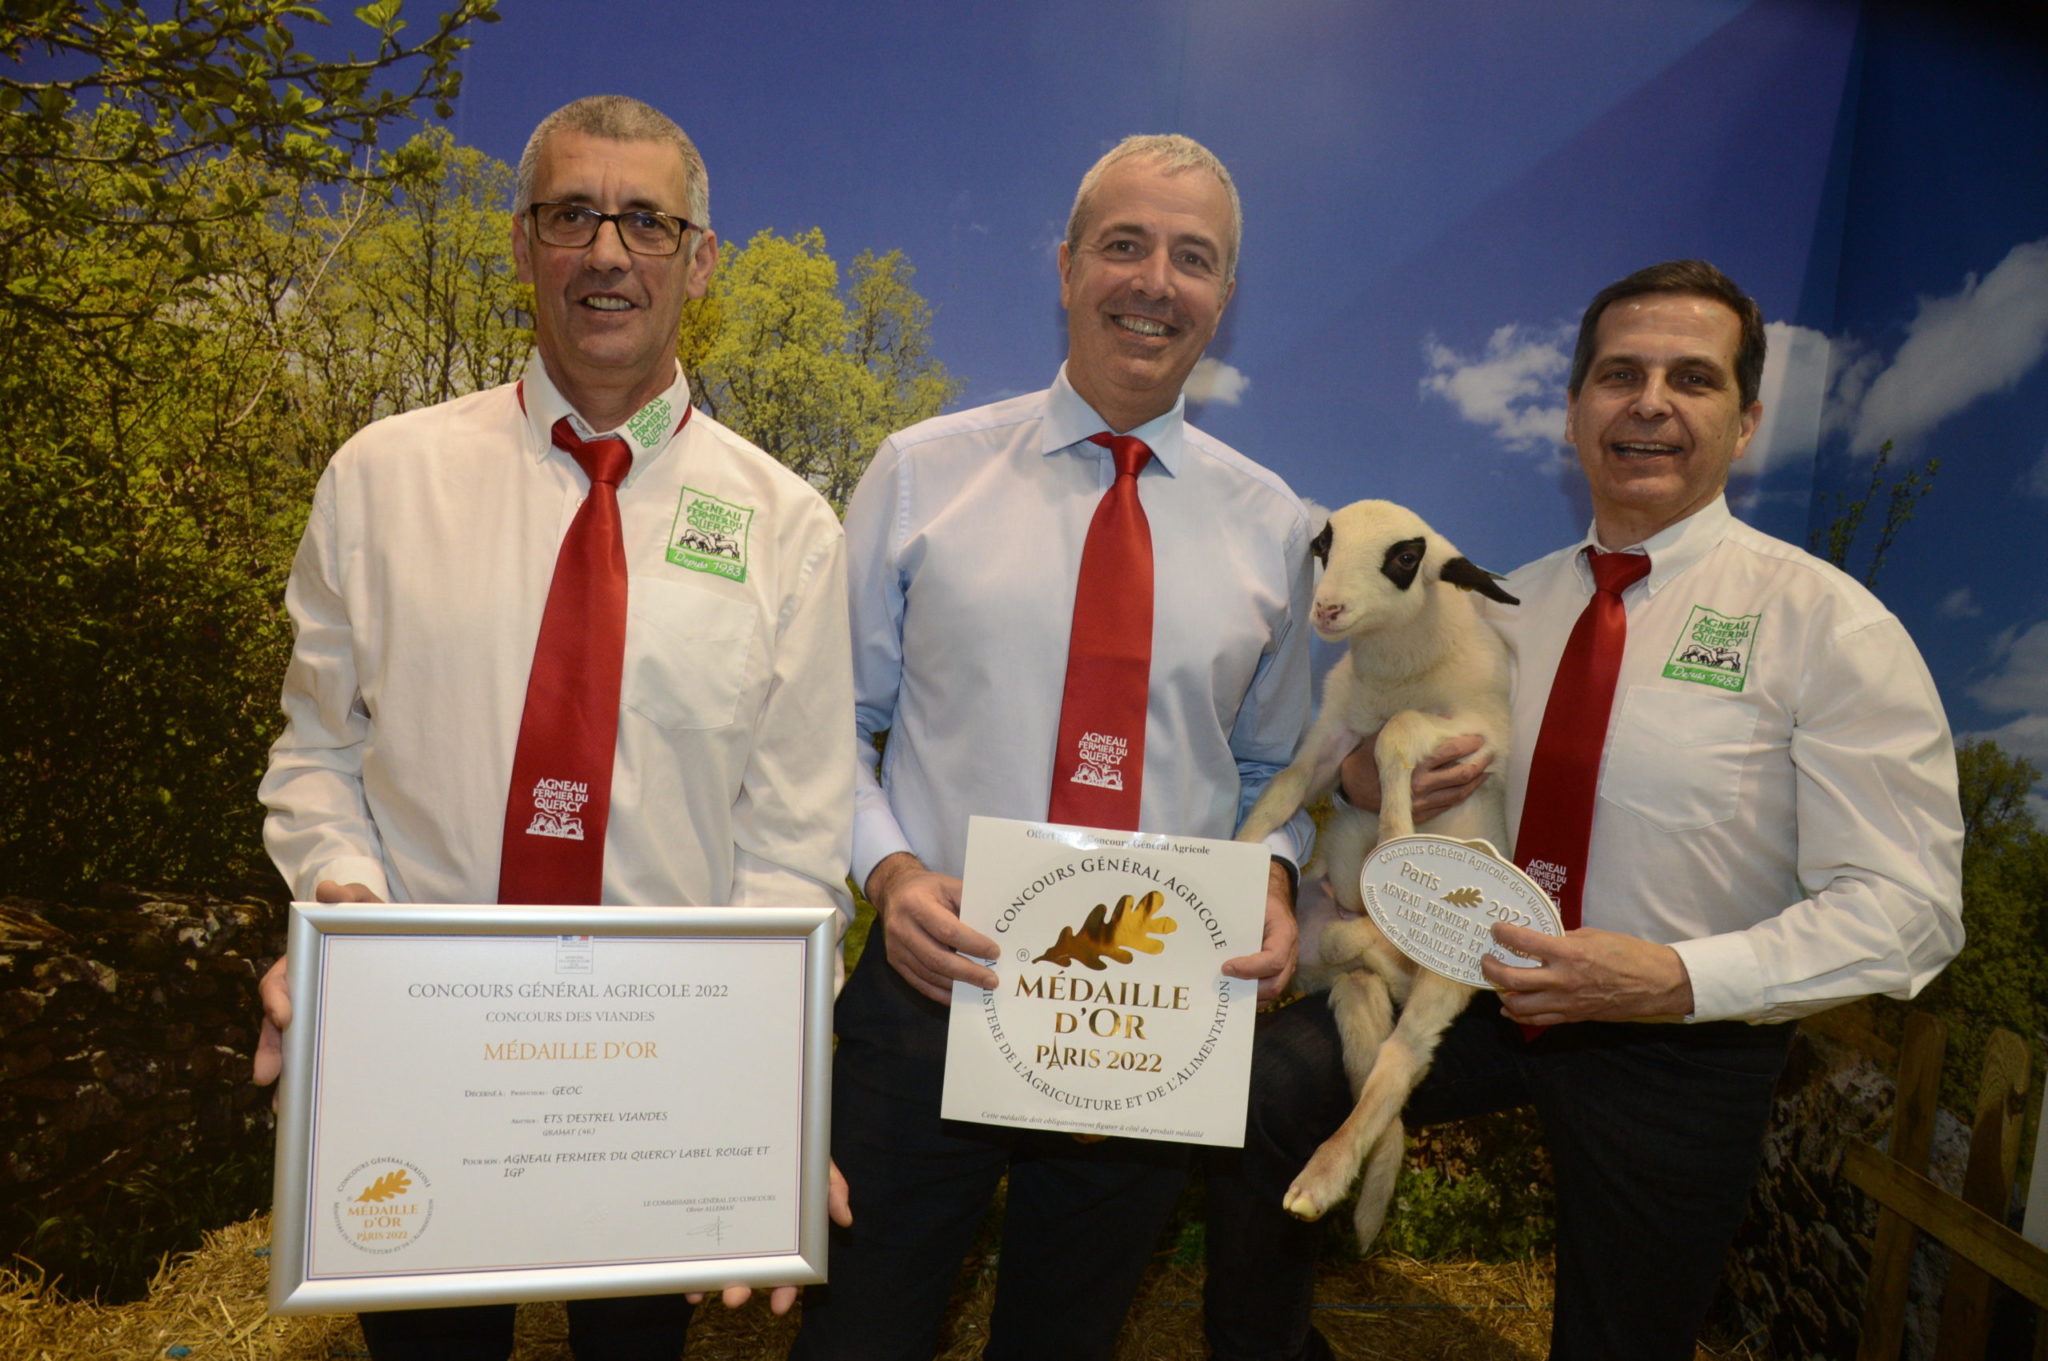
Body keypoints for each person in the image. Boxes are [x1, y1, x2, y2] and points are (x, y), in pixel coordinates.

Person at [1204, 259, 1965, 1361]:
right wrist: (1362, 776)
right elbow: (1397, 733)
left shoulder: (1827, 625)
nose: (1649, 402)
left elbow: (1910, 910)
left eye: (1692, 378)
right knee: (1265, 1091)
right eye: (1619, 375)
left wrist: (1673, 978)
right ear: (1572, 415)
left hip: (1677, 1036)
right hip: (1477, 978)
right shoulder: (1503, 604)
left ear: (1747, 421)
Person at [252, 95, 854, 1360]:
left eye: (646, 221)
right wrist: (341, 912)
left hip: (657, 1091)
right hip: (419, 1059)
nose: (607, 252)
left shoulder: (789, 528)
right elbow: (316, 752)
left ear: (700, 260)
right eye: (572, 214)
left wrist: (765, 1097)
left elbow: (793, 843)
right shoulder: (380, 477)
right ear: (523, 244)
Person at [786, 134, 1318, 1361]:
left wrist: (1276, 876)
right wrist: (889, 875)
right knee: (855, 1339)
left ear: (1223, 297)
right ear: (1067, 265)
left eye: (1192, 258)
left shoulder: (1275, 525)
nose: (1154, 281)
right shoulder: (920, 475)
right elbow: (829, 727)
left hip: (1146, 1016)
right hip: (932, 984)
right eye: (1123, 244)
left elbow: (1271, 773)